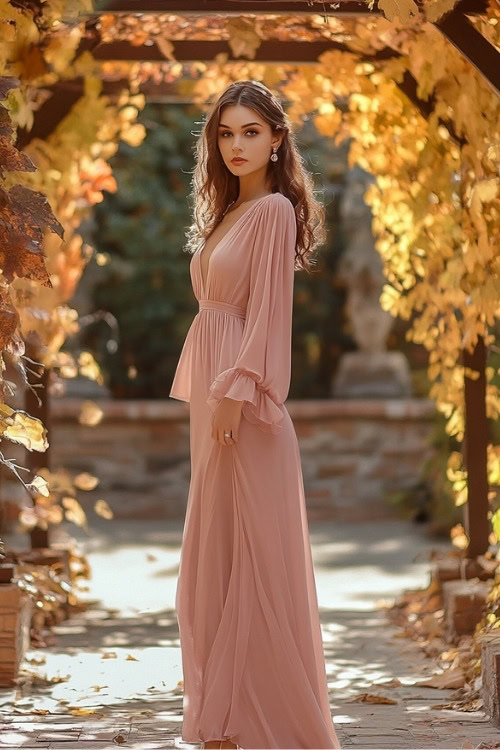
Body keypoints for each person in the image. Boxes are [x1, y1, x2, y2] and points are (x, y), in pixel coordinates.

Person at [169, 79, 341, 750]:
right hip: (217, 401)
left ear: (276, 139)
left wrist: (237, 396)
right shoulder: (227, 215)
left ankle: (261, 721)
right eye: (224, 132)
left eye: (249, 131)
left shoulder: (272, 211)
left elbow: (269, 315)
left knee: (249, 562)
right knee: (212, 562)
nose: (235, 144)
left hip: (242, 405)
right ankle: (228, 716)